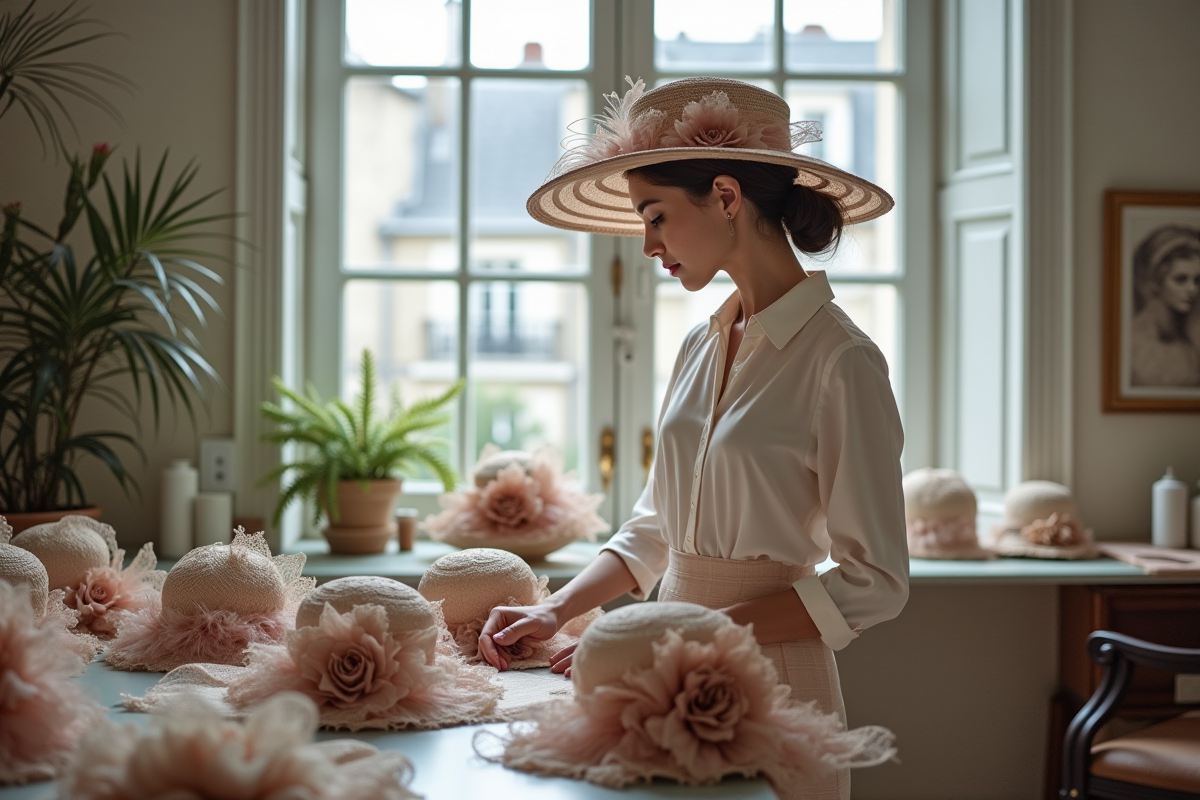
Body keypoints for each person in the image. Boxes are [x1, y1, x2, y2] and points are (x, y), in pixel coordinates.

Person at [479, 77, 909, 800]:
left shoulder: (842, 361)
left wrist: (682, 630)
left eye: (655, 217)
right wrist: (558, 611)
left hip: (770, 681)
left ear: (727, 197)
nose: (647, 245)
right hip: (657, 668)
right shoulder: (699, 345)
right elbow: (657, 528)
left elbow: (877, 583)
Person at [1129, 224, 1200, 387]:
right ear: (1155, 281)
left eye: (1197, 280)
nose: (1192, 290)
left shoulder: (1191, 345)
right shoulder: (1135, 345)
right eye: (1180, 279)